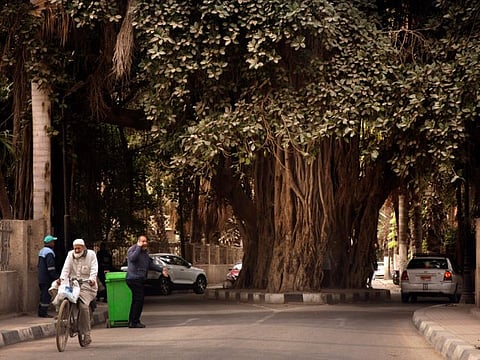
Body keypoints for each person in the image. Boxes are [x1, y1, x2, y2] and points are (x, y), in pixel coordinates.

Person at [57, 238, 98, 345]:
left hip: (86, 286)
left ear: (83, 248)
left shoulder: (91, 255)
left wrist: (92, 279)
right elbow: (66, 268)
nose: (77, 250)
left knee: (84, 307)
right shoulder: (70, 255)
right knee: (57, 291)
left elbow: (94, 269)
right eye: (75, 248)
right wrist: (62, 279)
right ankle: (61, 313)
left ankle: (86, 334)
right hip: (72, 284)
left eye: (79, 248)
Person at [126, 235, 168, 328]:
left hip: (139, 279)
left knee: (137, 300)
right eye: (142, 241)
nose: (144, 243)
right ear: (138, 241)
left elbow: (149, 264)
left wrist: (161, 270)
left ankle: (133, 321)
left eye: (145, 241)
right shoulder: (133, 249)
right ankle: (134, 322)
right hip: (133, 278)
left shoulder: (144, 253)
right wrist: (138, 247)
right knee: (138, 300)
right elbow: (132, 258)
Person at [37, 234, 59, 318]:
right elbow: (51, 267)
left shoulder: (42, 251)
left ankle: (41, 311)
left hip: (41, 277)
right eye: (53, 242)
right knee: (46, 295)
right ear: (50, 243)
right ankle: (43, 313)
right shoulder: (49, 253)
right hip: (47, 278)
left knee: (43, 294)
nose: (54, 243)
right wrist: (56, 277)